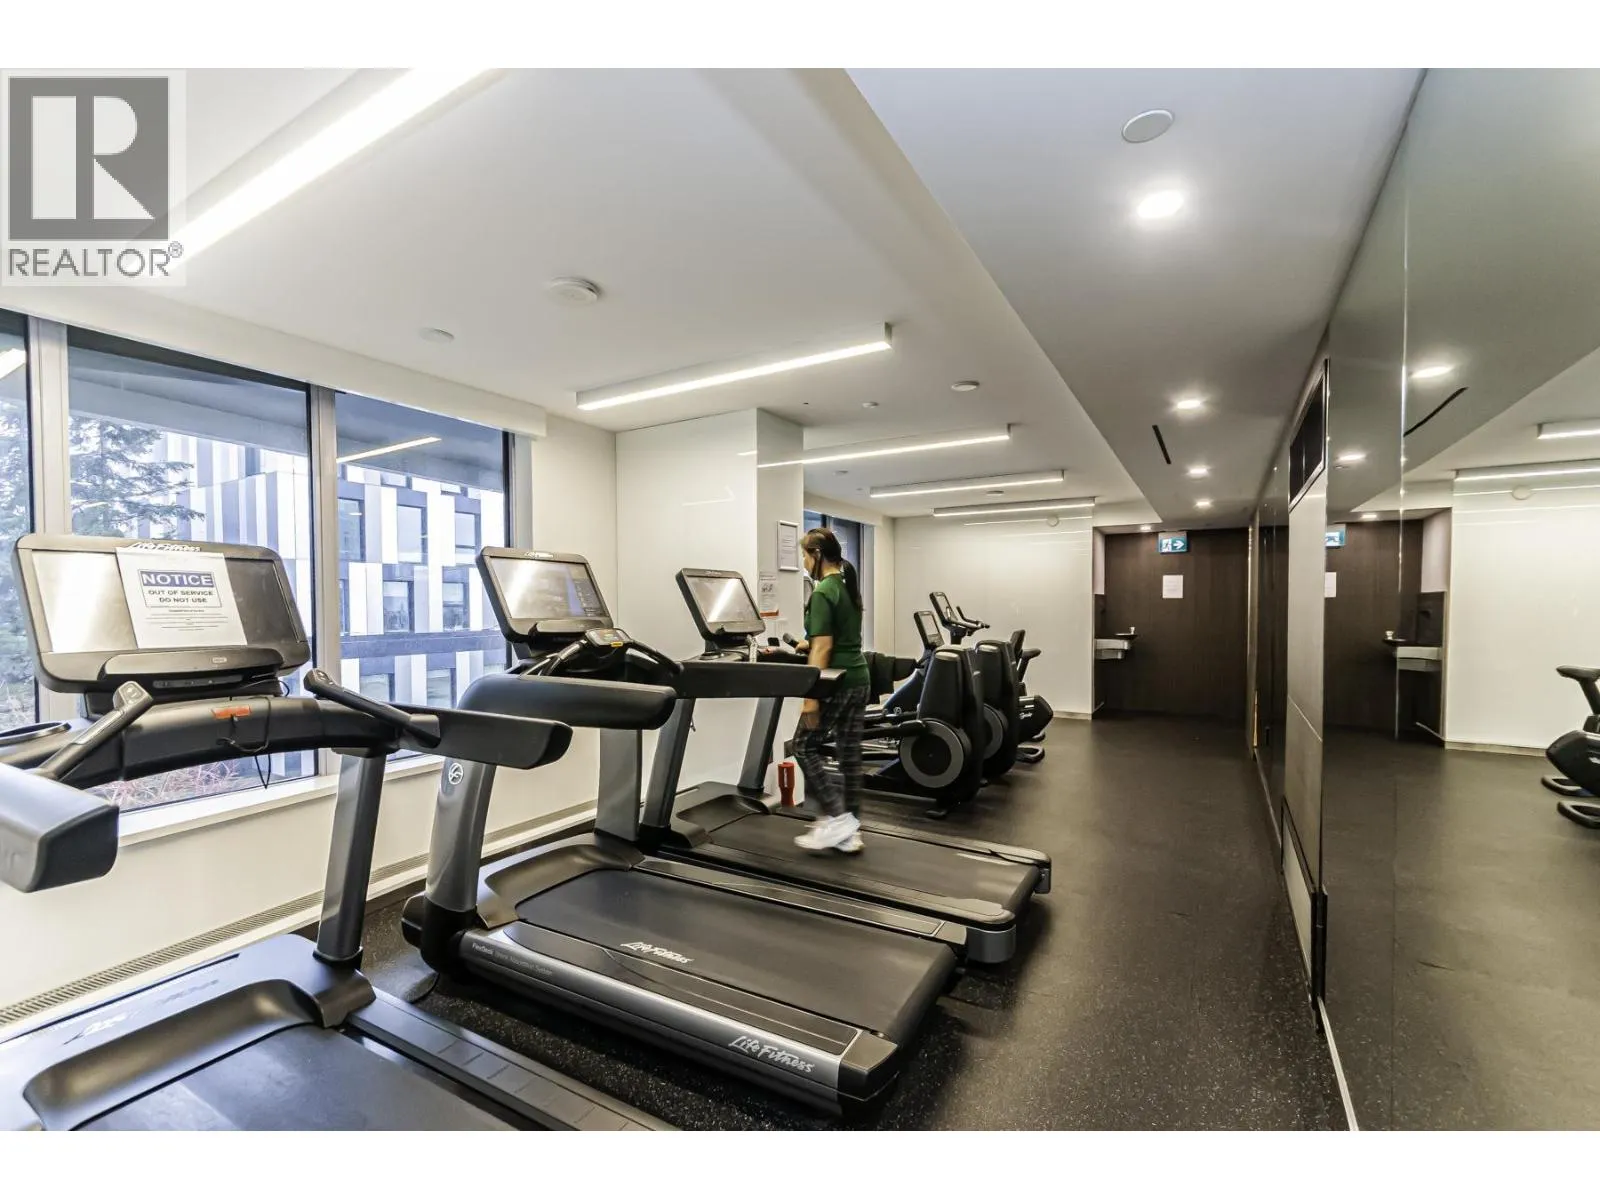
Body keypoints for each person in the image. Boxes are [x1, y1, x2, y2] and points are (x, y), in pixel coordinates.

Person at [789, 527, 871, 853]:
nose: (804, 562)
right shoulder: (846, 585)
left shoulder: (823, 591)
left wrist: (811, 699)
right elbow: (836, 638)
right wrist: (806, 643)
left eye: (805, 556)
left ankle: (838, 819)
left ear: (817, 555)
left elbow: (823, 648)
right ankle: (851, 831)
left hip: (836, 682)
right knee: (850, 757)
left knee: (803, 746)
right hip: (859, 677)